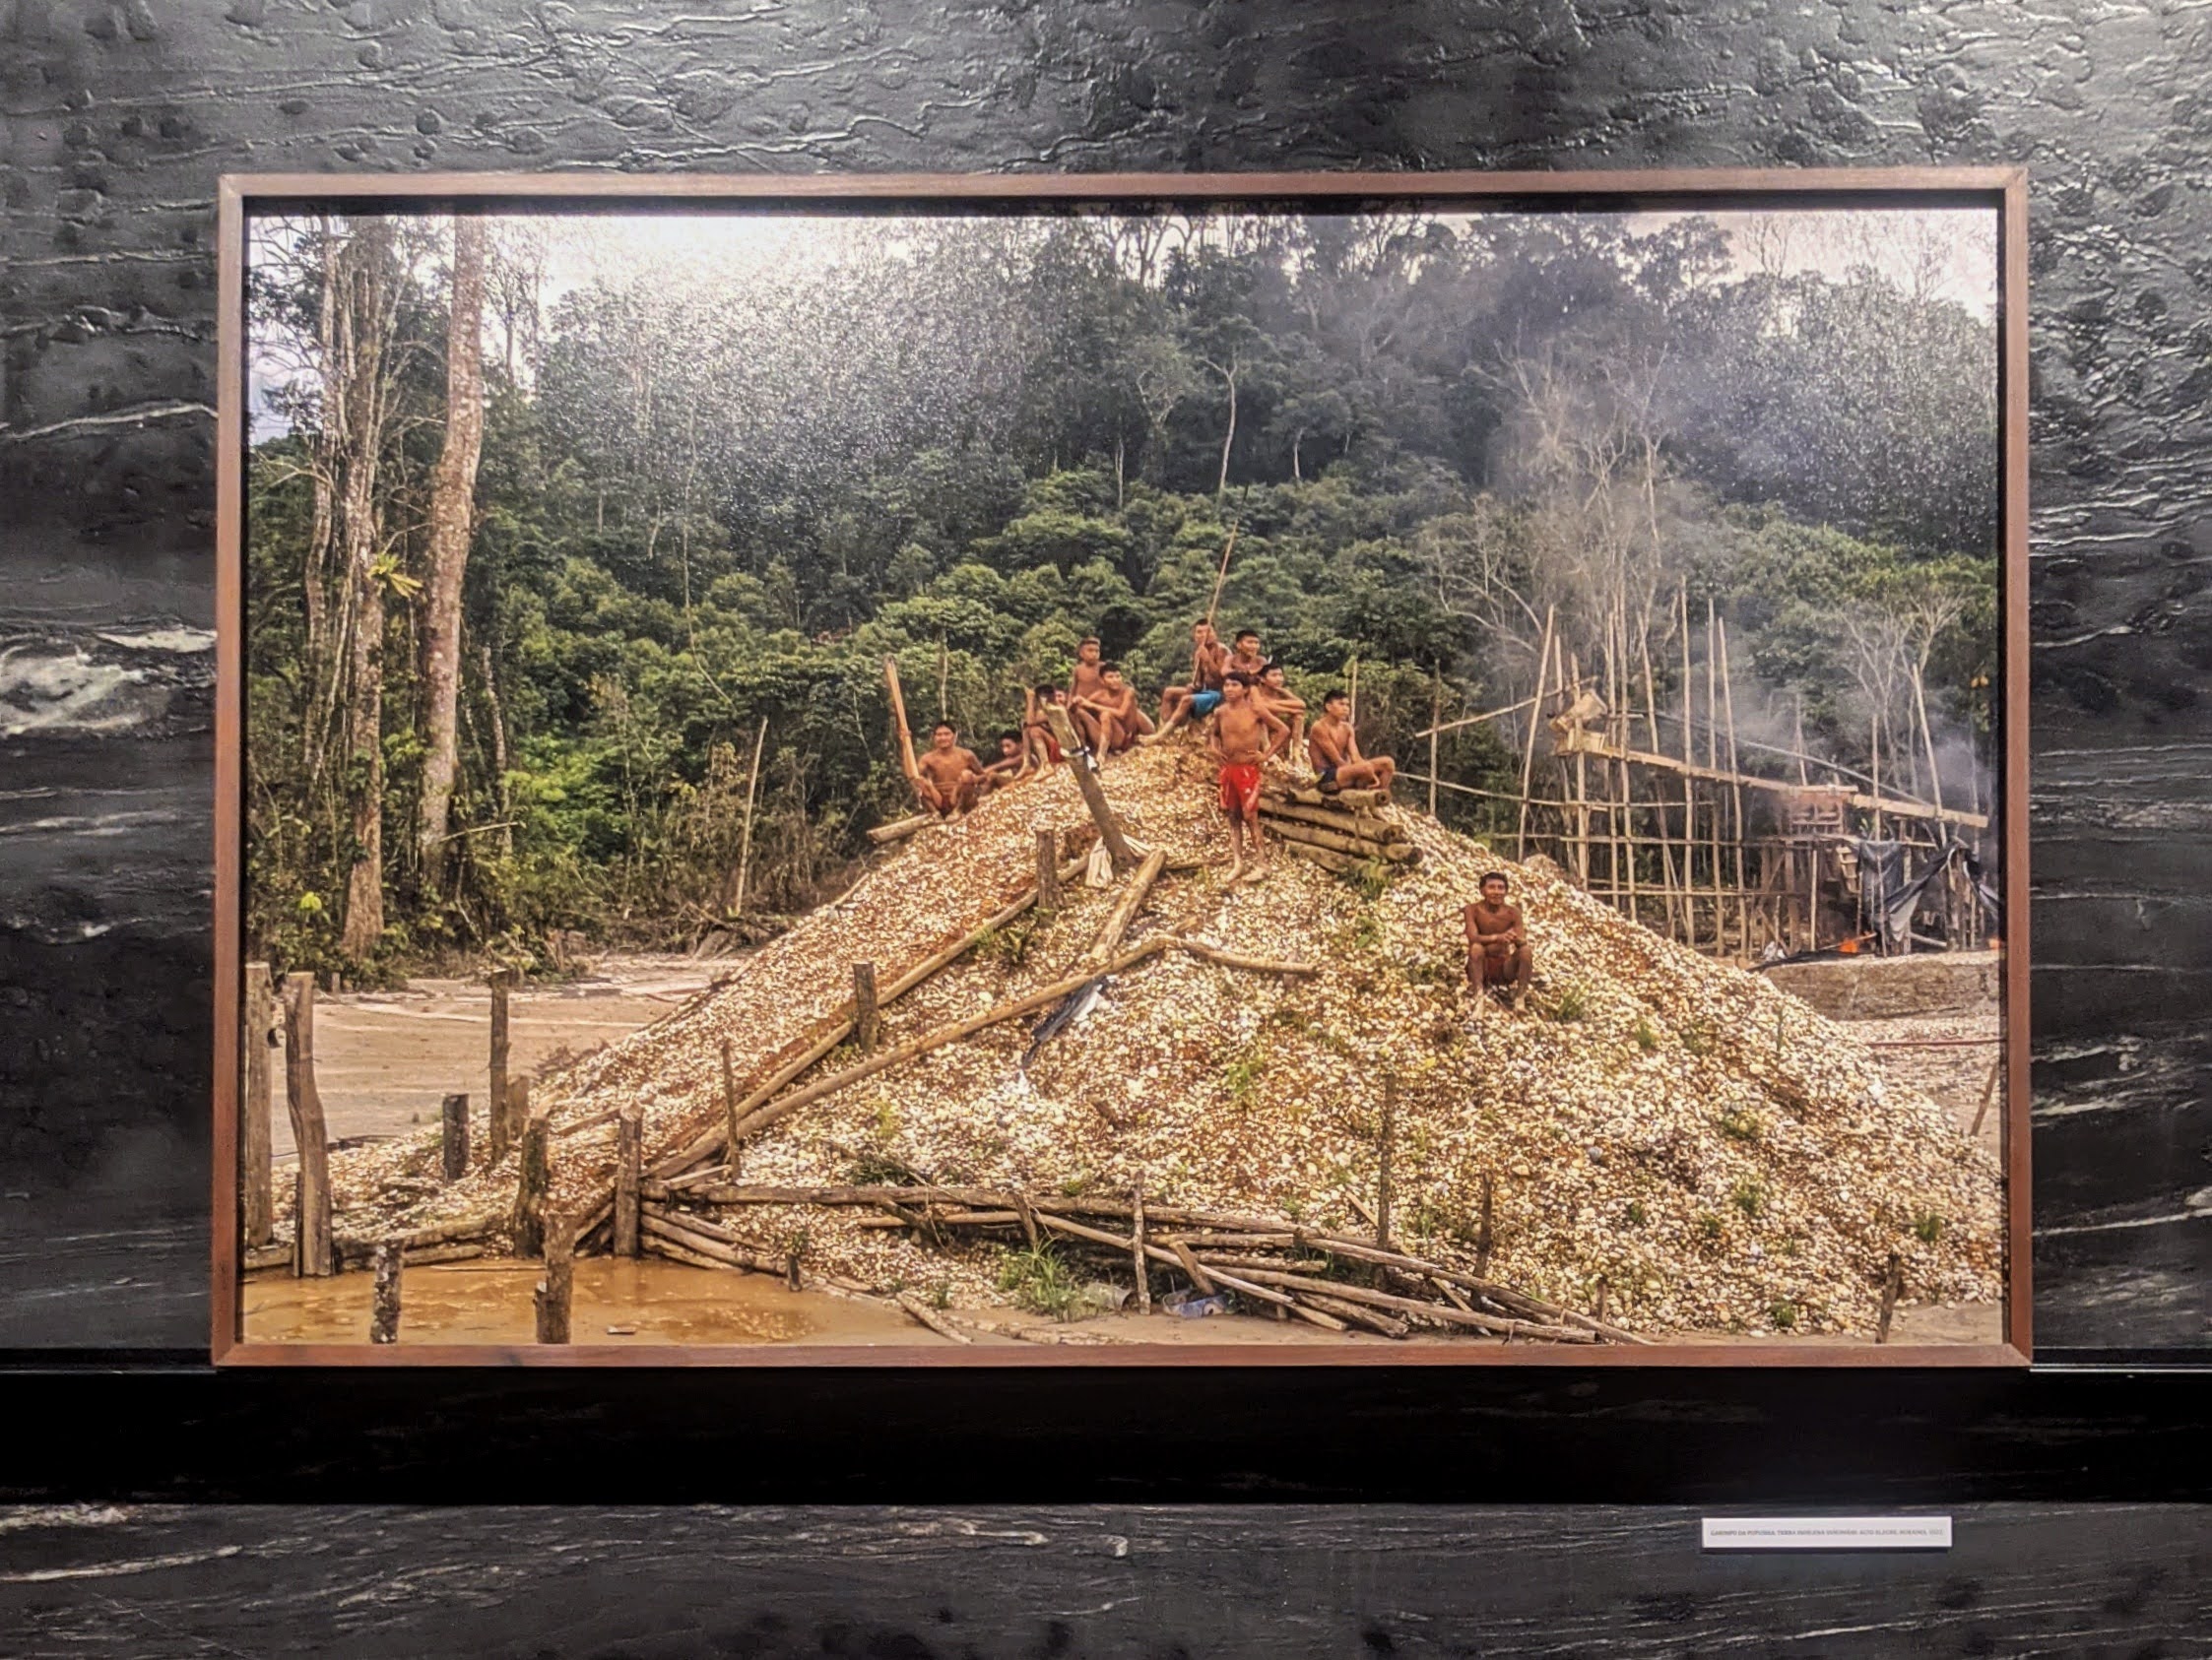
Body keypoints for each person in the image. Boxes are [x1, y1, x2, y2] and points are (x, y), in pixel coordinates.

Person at [1209, 673, 1290, 882]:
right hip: (1228, 768)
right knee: (1232, 815)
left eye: (1234, 685)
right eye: (1226, 685)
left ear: (1245, 689)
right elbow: (1214, 734)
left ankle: (1262, 864)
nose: (1229, 689)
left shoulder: (1255, 710)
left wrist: (1266, 754)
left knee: (1250, 816)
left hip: (1248, 769)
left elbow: (1283, 730)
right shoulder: (1220, 712)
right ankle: (1238, 862)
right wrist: (1214, 748)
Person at [1305, 689, 1397, 795]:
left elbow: (1356, 758)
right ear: (1328, 707)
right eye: (1341, 704)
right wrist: (1367, 771)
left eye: (1347, 705)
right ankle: (1362, 802)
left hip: (1344, 773)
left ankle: (1374, 799)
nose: (1345, 709)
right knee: (1365, 768)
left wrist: (1369, 771)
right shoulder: (1319, 727)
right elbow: (1337, 760)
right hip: (1325, 777)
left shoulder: (1347, 728)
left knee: (1388, 763)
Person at [1464, 870, 1531, 1006]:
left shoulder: (1513, 912)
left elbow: (1522, 940)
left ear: (1506, 892)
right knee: (1476, 948)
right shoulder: (1472, 910)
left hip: (1505, 968)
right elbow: (1473, 937)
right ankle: (1478, 993)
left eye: (1501, 888)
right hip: (1482, 965)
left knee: (1526, 951)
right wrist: (1497, 937)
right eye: (1492, 887)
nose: (1497, 892)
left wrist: (1515, 938)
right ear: (1482, 890)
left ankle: (1520, 997)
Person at [1154, 620, 1229, 739]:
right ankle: (1164, 730)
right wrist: (1194, 685)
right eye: (1199, 632)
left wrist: (1208, 659)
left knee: (1186, 699)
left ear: (1215, 634)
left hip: (1219, 694)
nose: (1204, 635)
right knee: (1169, 692)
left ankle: (1162, 735)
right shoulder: (1199, 651)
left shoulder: (1222, 650)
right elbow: (1199, 682)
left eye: (1208, 631)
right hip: (1205, 690)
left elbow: (1222, 679)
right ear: (1194, 636)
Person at [912, 721, 987, 817]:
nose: (943, 738)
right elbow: (914, 776)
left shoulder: (966, 755)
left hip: (960, 797)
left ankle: (958, 810)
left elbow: (983, 775)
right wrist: (905, 746)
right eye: (939, 735)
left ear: (954, 736)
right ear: (934, 737)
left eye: (947, 734)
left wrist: (970, 780)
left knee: (966, 774)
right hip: (938, 799)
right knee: (920, 781)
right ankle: (935, 813)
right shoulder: (927, 758)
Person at [1076, 663, 1152, 753]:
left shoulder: (1128, 691)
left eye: (1118, 676)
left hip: (1129, 734)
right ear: (1101, 680)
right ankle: (1082, 747)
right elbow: (1082, 706)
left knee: (1106, 714)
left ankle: (1101, 755)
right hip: (1116, 738)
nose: (1115, 680)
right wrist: (1077, 701)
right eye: (1110, 677)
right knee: (1080, 712)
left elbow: (1122, 714)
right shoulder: (1098, 695)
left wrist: (1092, 705)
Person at [1067, 637, 1111, 751]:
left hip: (1097, 706)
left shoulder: (1103, 667)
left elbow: (1109, 689)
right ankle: (1081, 745)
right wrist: (1069, 703)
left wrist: (1092, 700)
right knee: (1073, 716)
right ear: (1082, 653)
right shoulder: (1078, 669)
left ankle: (1103, 746)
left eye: (1097, 651)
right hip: (1080, 705)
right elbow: (1073, 689)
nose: (1094, 654)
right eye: (1090, 651)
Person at [1254, 660, 1307, 749]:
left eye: (1280, 675)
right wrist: (1289, 709)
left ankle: (1296, 750)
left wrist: (1272, 702)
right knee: (1260, 718)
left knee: (1299, 716)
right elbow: (1260, 706)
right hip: (1260, 731)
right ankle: (1268, 751)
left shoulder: (1282, 692)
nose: (1278, 679)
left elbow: (1302, 704)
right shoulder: (1255, 691)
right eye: (1274, 675)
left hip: (1279, 729)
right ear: (1262, 679)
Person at [1022, 682, 1066, 770]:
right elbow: (1028, 722)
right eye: (1044, 694)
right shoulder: (1041, 711)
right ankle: (1026, 763)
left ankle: (1045, 764)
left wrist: (1030, 700)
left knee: (1034, 730)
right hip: (1055, 749)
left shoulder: (1059, 709)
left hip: (1065, 749)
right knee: (1026, 727)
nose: (1047, 696)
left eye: (1049, 693)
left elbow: (1030, 721)